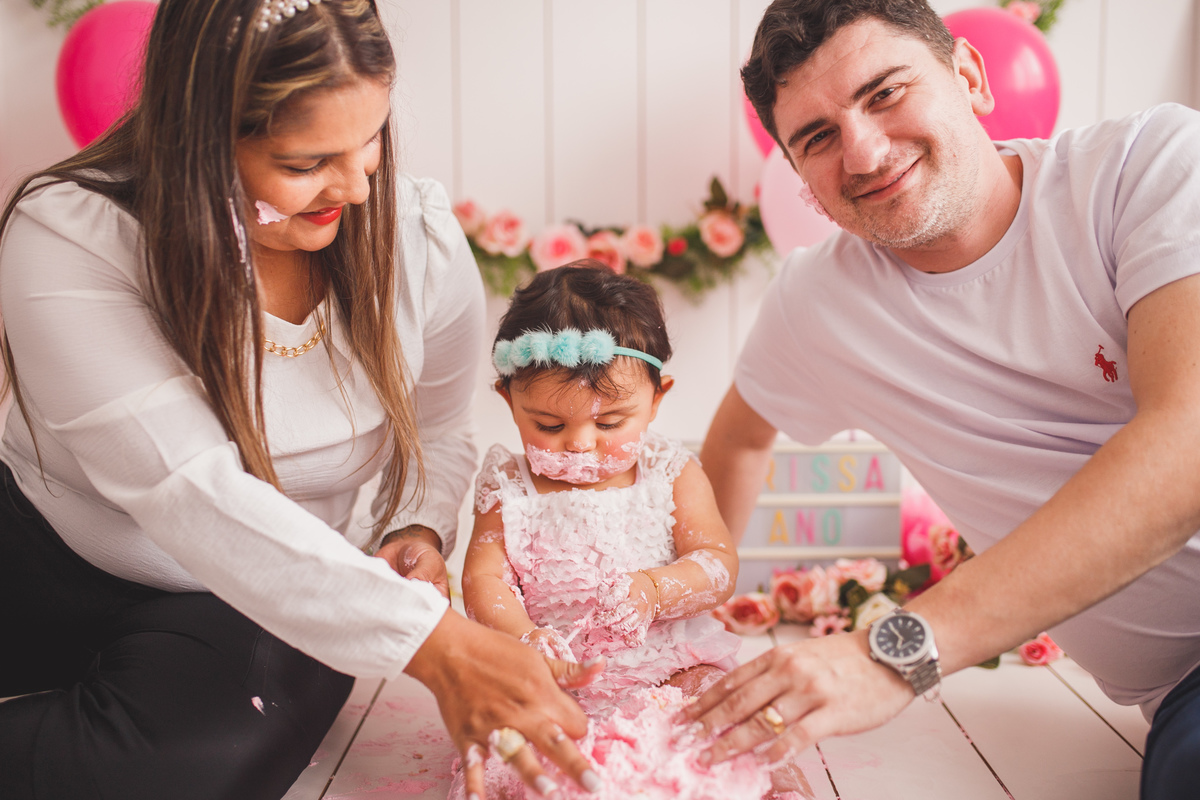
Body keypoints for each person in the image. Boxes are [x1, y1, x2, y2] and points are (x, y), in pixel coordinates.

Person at [0, 2, 601, 799]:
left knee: (193, 766)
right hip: (37, 545)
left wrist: (413, 525)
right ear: (200, 143)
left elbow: (440, 422)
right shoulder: (70, 235)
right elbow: (186, 487)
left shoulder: (417, 238)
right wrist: (434, 643)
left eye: (371, 139)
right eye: (307, 160)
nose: (355, 187)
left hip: (256, 593)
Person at [684, 1, 1200, 798]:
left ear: (968, 76)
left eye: (885, 92)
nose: (862, 151)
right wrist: (678, 626)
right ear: (801, 180)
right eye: (817, 138)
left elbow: (1188, 445)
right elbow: (742, 439)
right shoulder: (817, 305)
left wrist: (893, 651)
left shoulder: (1147, 165)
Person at [456, 262, 772, 797]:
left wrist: (654, 590)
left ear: (656, 399)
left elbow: (718, 563)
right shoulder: (507, 484)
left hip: (665, 666)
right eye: (549, 426)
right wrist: (524, 638)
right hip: (551, 672)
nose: (580, 443)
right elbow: (483, 580)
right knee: (508, 748)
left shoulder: (672, 473)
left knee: (723, 719)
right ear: (509, 400)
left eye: (609, 423)